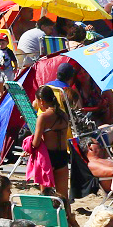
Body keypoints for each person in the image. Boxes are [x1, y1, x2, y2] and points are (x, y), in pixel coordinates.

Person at [29, 84, 73, 218]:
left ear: (41, 101)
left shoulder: (43, 117)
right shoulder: (64, 115)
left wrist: (28, 144)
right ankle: (68, 221)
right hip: (62, 156)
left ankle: (48, 221)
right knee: (63, 197)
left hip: (48, 157)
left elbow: (36, 143)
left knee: (46, 195)